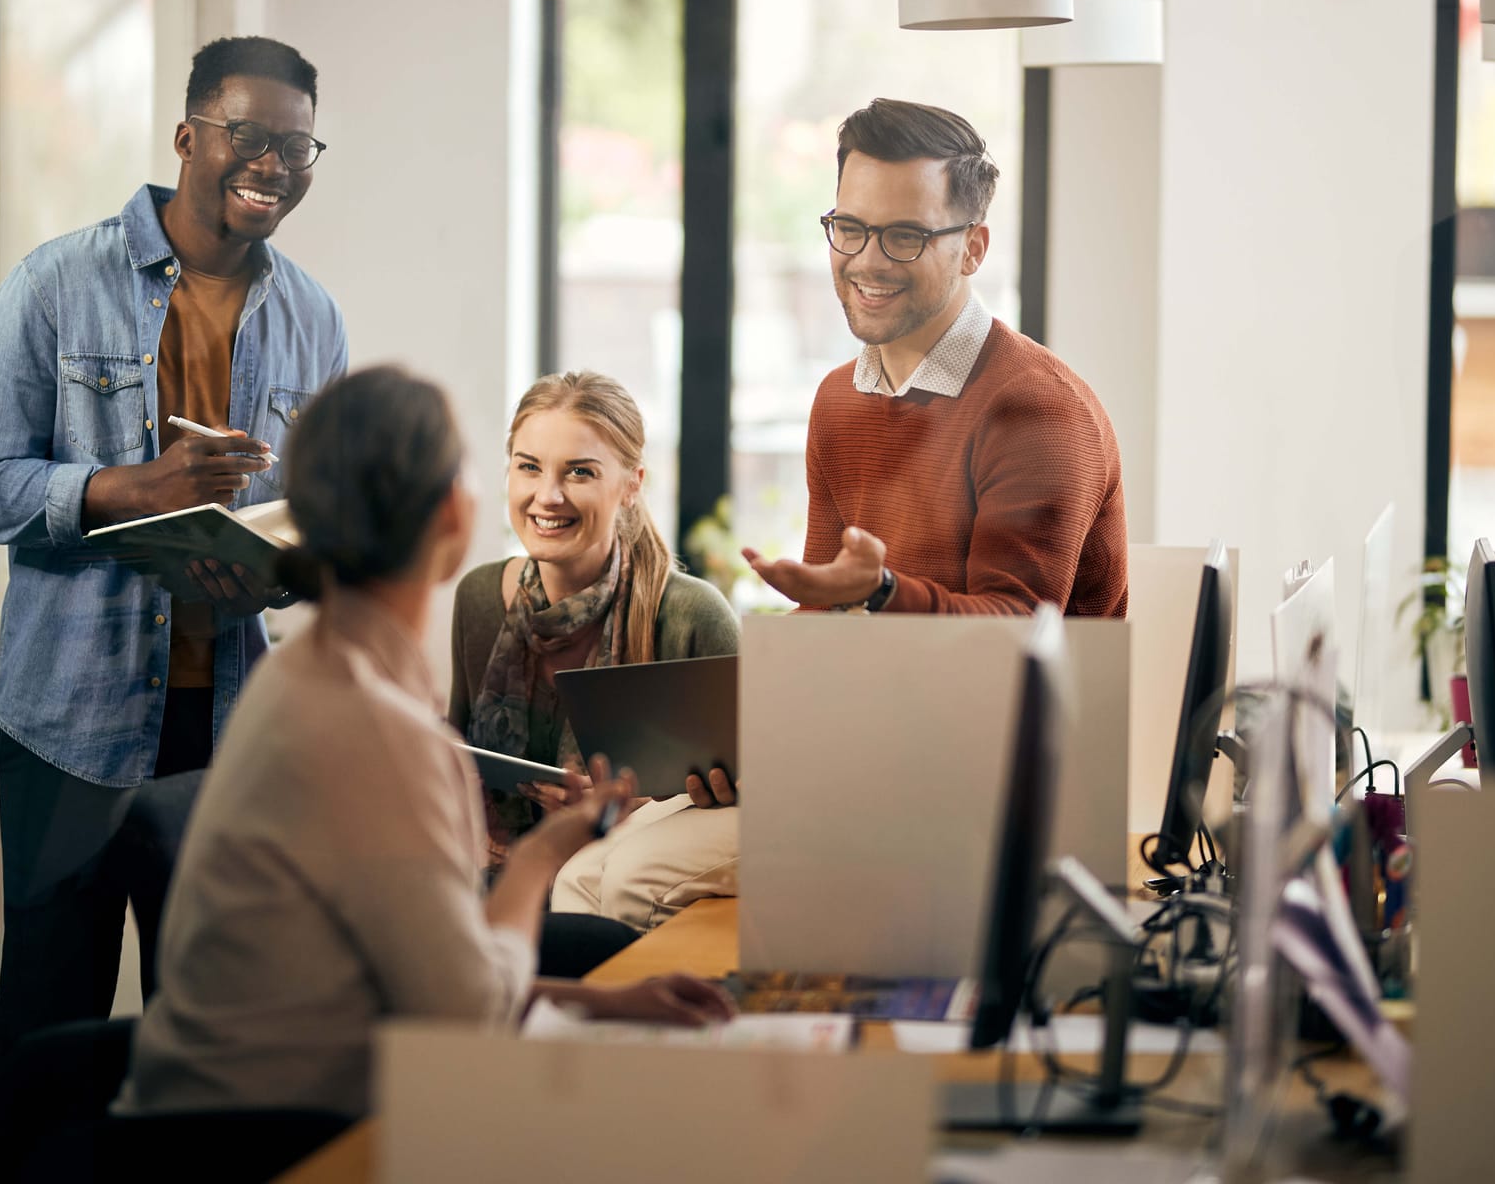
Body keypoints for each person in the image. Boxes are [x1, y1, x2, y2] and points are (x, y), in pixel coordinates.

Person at [119, 365, 732, 1120]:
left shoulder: (298, 680)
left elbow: (415, 976)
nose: (545, 494)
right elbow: (467, 1015)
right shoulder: (385, 732)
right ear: (454, 510)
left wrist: (604, 1000)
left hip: (219, 1104)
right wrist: (544, 853)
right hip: (277, 1137)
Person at [0, 35, 349, 1091]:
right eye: (248, 136)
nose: (272, 164)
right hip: (67, 720)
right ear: (187, 136)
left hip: (225, 726)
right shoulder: (54, 283)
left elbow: (319, 524)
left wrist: (283, 564)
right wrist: (133, 489)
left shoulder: (314, 317)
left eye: (297, 147)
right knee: (41, 1041)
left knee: (203, 1046)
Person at [743, 98, 1127, 617]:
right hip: (877, 694)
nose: (867, 261)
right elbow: (828, 614)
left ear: (973, 249)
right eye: (851, 228)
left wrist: (878, 592)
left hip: (1010, 700)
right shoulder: (838, 399)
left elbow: (1013, 637)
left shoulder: (1040, 410)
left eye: (905, 236)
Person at [448, 371, 740, 930]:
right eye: (529, 466)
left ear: (631, 484)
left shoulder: (690, 616)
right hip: (487, 886)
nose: (547, 496)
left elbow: (746, 807)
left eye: (579, 472)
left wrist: (629, 816)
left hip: (615, 904)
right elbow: (457, 751)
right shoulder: (480, 598)